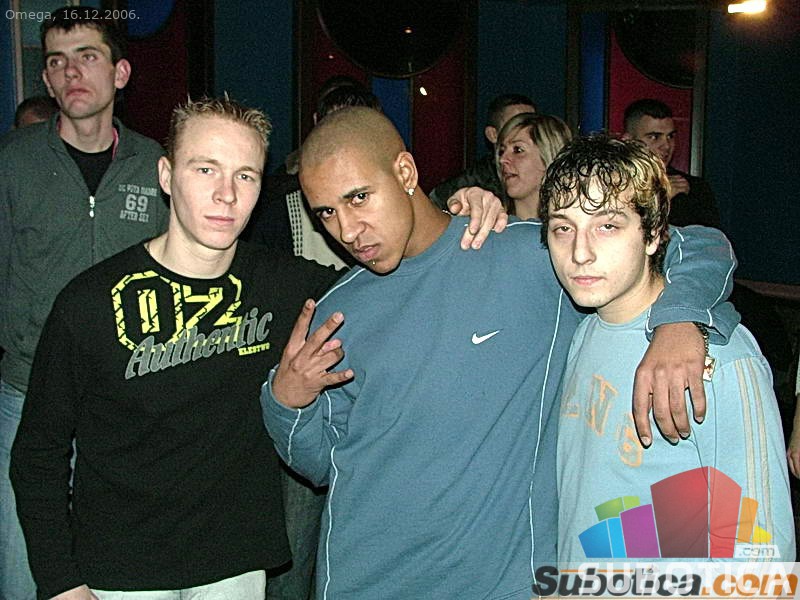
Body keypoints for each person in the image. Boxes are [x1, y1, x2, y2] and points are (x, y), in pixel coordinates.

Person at [260, 106, 739, 598]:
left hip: (500, 581)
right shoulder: (337, 311)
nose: (347, 230)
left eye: (359, 197)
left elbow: (698, 247)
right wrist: (287, 401)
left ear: (404, 173)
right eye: (326, 212)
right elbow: (323, 466)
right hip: (364, 581)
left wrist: (678, 320)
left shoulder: (532, 257)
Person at [9, 96, 344, 599]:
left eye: (245, 175)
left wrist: (455, 213)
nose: (226, 194)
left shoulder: (283, 285)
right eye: (205, 169)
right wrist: (60, 582)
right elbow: (38, 453)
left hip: (233, 567)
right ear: (166, 176)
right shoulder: (89, 302)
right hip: (120, 573)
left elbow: (394, 278)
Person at [539, 135, 794, 563]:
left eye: (607, 225)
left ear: (655, 235)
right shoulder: (585, 333)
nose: (580, 253)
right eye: (563, 228)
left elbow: (762, 553)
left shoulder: (722, 359)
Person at [0, 7, 169, 598]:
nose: (71, 72)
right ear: (46, 81)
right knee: (25, 569)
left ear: (120, 73)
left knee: (117, 569)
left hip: (126, 404)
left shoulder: (155, 164)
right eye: (56, 61)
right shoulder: (13, 162)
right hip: (26, 396)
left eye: (87, 56)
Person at [623, 98, 720, 228]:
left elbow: (709, 237)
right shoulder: (614, 185)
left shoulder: (692, 189)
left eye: (670, 136)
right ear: (629, 141)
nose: (666, 146)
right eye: (654, 137)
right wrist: (658, 199)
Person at [428, 93, 536, 209]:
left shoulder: (546, 179)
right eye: (516, 125)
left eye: (534, 125)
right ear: (492, 135)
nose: (528, 132)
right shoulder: (465, 187)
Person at [496, 112, 572, 220]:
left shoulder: (572, 226)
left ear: (549, 156)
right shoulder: (490, 225)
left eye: (518, 150)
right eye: (501, 151)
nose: (502, 159)